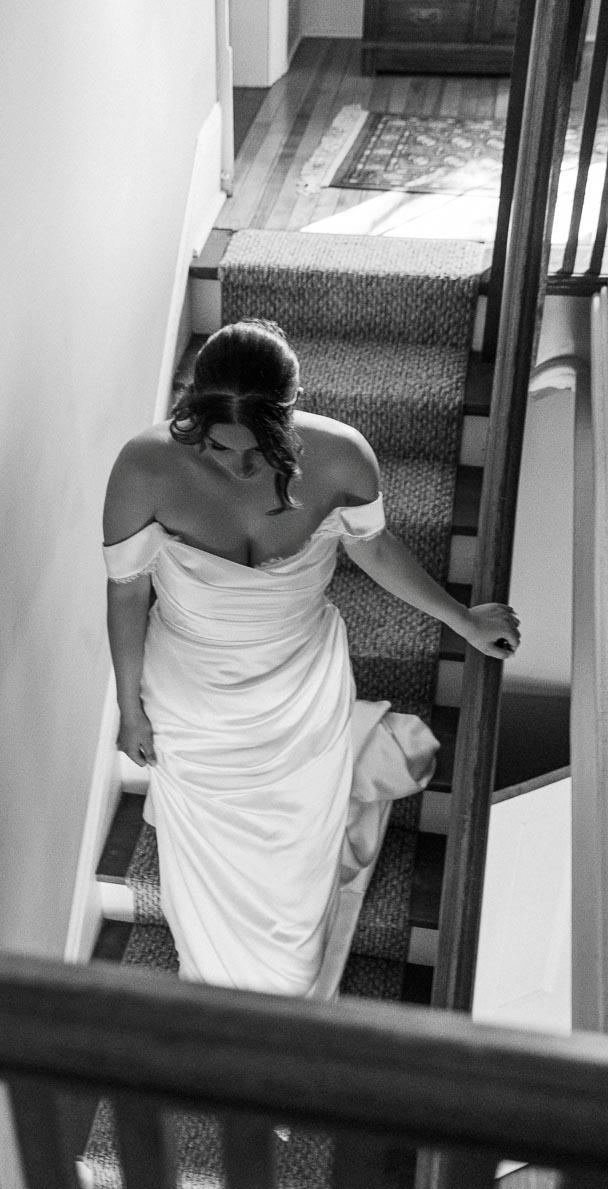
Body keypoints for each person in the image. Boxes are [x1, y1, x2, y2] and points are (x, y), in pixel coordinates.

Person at [102, 318, 520, 999]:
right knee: (210, 859)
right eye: (217, 448)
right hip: (192, 697)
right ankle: (219, 973)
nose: (238, 469)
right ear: (190, 419)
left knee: (293, 851)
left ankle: (289, 975)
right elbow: (127, 596)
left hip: (300, 686)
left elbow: (377, 551)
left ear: (289, 418)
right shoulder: (143, 469)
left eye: (256, 452)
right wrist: (129, 709)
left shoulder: (343, 458)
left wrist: (464, 620)